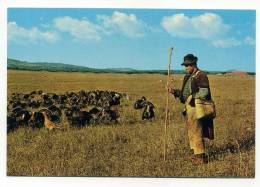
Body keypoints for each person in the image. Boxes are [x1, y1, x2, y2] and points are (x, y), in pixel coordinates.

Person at [167, 54, 214, 164]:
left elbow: (204, 92)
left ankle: (201, 158)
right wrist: (174, 91)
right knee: (191, 132)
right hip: (189, 108)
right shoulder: (187, 76)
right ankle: (195, 154)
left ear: (194, 64)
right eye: (185, 65)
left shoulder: (201, 75)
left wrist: (192, 96)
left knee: (197, 131)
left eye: (188, 65)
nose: (186, 68)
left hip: (197, 108)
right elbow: (184, 94)